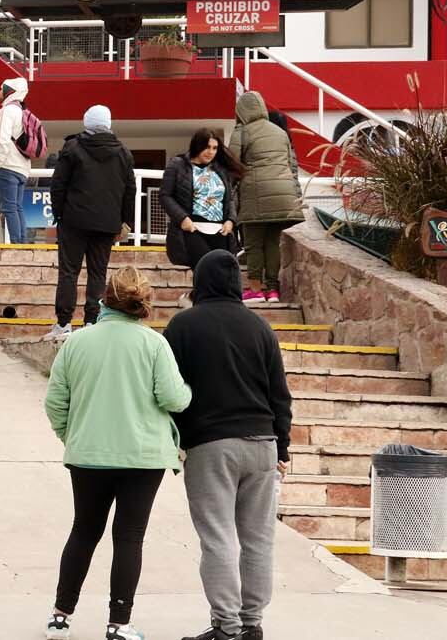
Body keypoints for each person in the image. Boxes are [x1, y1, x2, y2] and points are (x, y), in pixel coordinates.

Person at [43, 267, 192, 640]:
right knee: (129, 537)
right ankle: (119, 624)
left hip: (87, 454)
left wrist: (72, 436)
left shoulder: (77, 342)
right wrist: (189, 390)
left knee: (84, 530)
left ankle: (60, 617)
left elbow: (55, 403)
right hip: (143, 458)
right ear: (142, 304)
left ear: (103, 300)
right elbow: (174, 398)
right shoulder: (154, 344)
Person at [164, 250, 292, 640]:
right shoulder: (260, 328)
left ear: (199, 282)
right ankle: (252, 623)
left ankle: (227, 627)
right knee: (258, 538)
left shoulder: (183, 327)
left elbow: (169, 391)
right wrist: (282, 448)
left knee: (218, 537)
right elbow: (279, 396)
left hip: (211, 444)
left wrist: (177, 439)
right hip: (262, 443)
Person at [44, 105, 134, 341]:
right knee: (97, 274)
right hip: (107, 224)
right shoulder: (123, 152)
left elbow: (58, 184)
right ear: (109, 123)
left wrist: (59, 214)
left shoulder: (72, 148)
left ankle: (63, 323)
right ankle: (91, 322)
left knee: (68, 273)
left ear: (86, 122)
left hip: (73, 221)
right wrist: (124, 221)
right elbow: (130, 190)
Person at [230, 92, 304, 303]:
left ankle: (255, 289)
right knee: (272, 243)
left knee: (253, 244)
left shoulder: (242, 131)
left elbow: (232, 165)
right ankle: (272, 290)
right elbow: (292, 165)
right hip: (284, 195)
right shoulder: (280, 132)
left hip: (256, 194)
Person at [161, 129, 242, 270]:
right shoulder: (177, 165)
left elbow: (229, 200)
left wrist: (231, 220)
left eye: (214, 148)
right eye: (207, 147)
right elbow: (165, 196)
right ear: (197, 145)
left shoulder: (220, 170)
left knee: (221, 274)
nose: (211, 152)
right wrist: (182, 219)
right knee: (205, 271)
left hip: (220, 232)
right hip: (193, 230)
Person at [0, 76, 32, 244]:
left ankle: (16, 244)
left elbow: (2, 140)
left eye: (1, 89)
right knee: (18, 207)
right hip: (22, 168)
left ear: (9, 92)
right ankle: (22, 243)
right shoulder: (22, 111)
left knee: (8, 207)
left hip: (7, 166)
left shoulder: (6, 111)